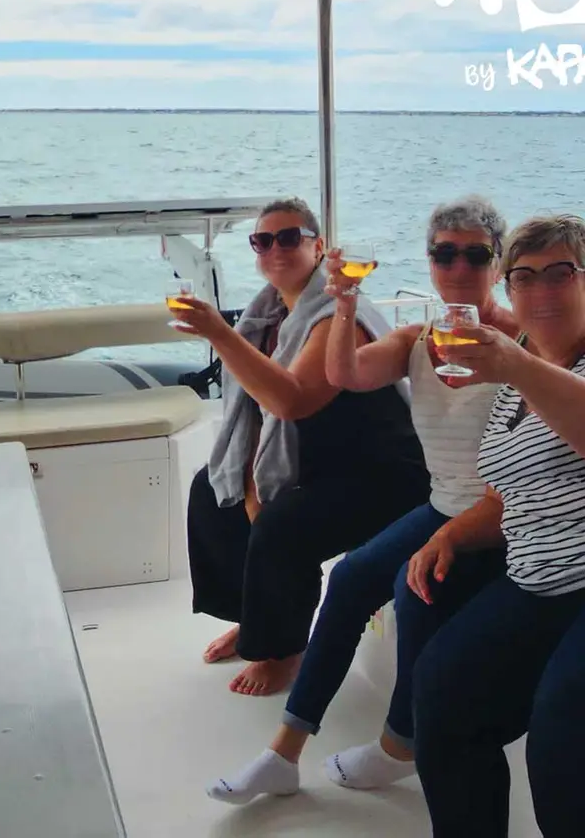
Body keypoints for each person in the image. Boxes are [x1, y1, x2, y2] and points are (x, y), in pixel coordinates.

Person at [208, 196, 516, 805]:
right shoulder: (416, 339)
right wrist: (345, 308)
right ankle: (283, 754)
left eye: (475, 255)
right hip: (439, 505)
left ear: (498, 264)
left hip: (497, 519)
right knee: (350, 579)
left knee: (416, 590)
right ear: (428, 262)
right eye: (443, 254)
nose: (458, 268)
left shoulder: (523, 343)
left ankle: (400, 746)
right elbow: (345, 374)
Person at [179, 198, 429, 697]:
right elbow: (255, 415)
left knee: (283, 524)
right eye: (262, 240)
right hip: (319, 461)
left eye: (290, 237)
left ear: (318, 247)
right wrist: (247, 475)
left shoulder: (337, 315)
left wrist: (218, 334)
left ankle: (284, 648)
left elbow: (291, 400)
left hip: (382, 473)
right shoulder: (270, 314)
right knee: (213, 488)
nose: (275, 248)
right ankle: (256, 622)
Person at [409, 215, 585, 838]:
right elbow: (505, 494)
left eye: (560, 273)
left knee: (561, 736)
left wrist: (514, 364)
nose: (541, 291)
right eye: (524, 277)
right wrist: (450, 534)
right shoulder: (520, 375)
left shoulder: (524, 370)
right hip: (536, 579)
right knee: (441, 691)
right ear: (508, 290)